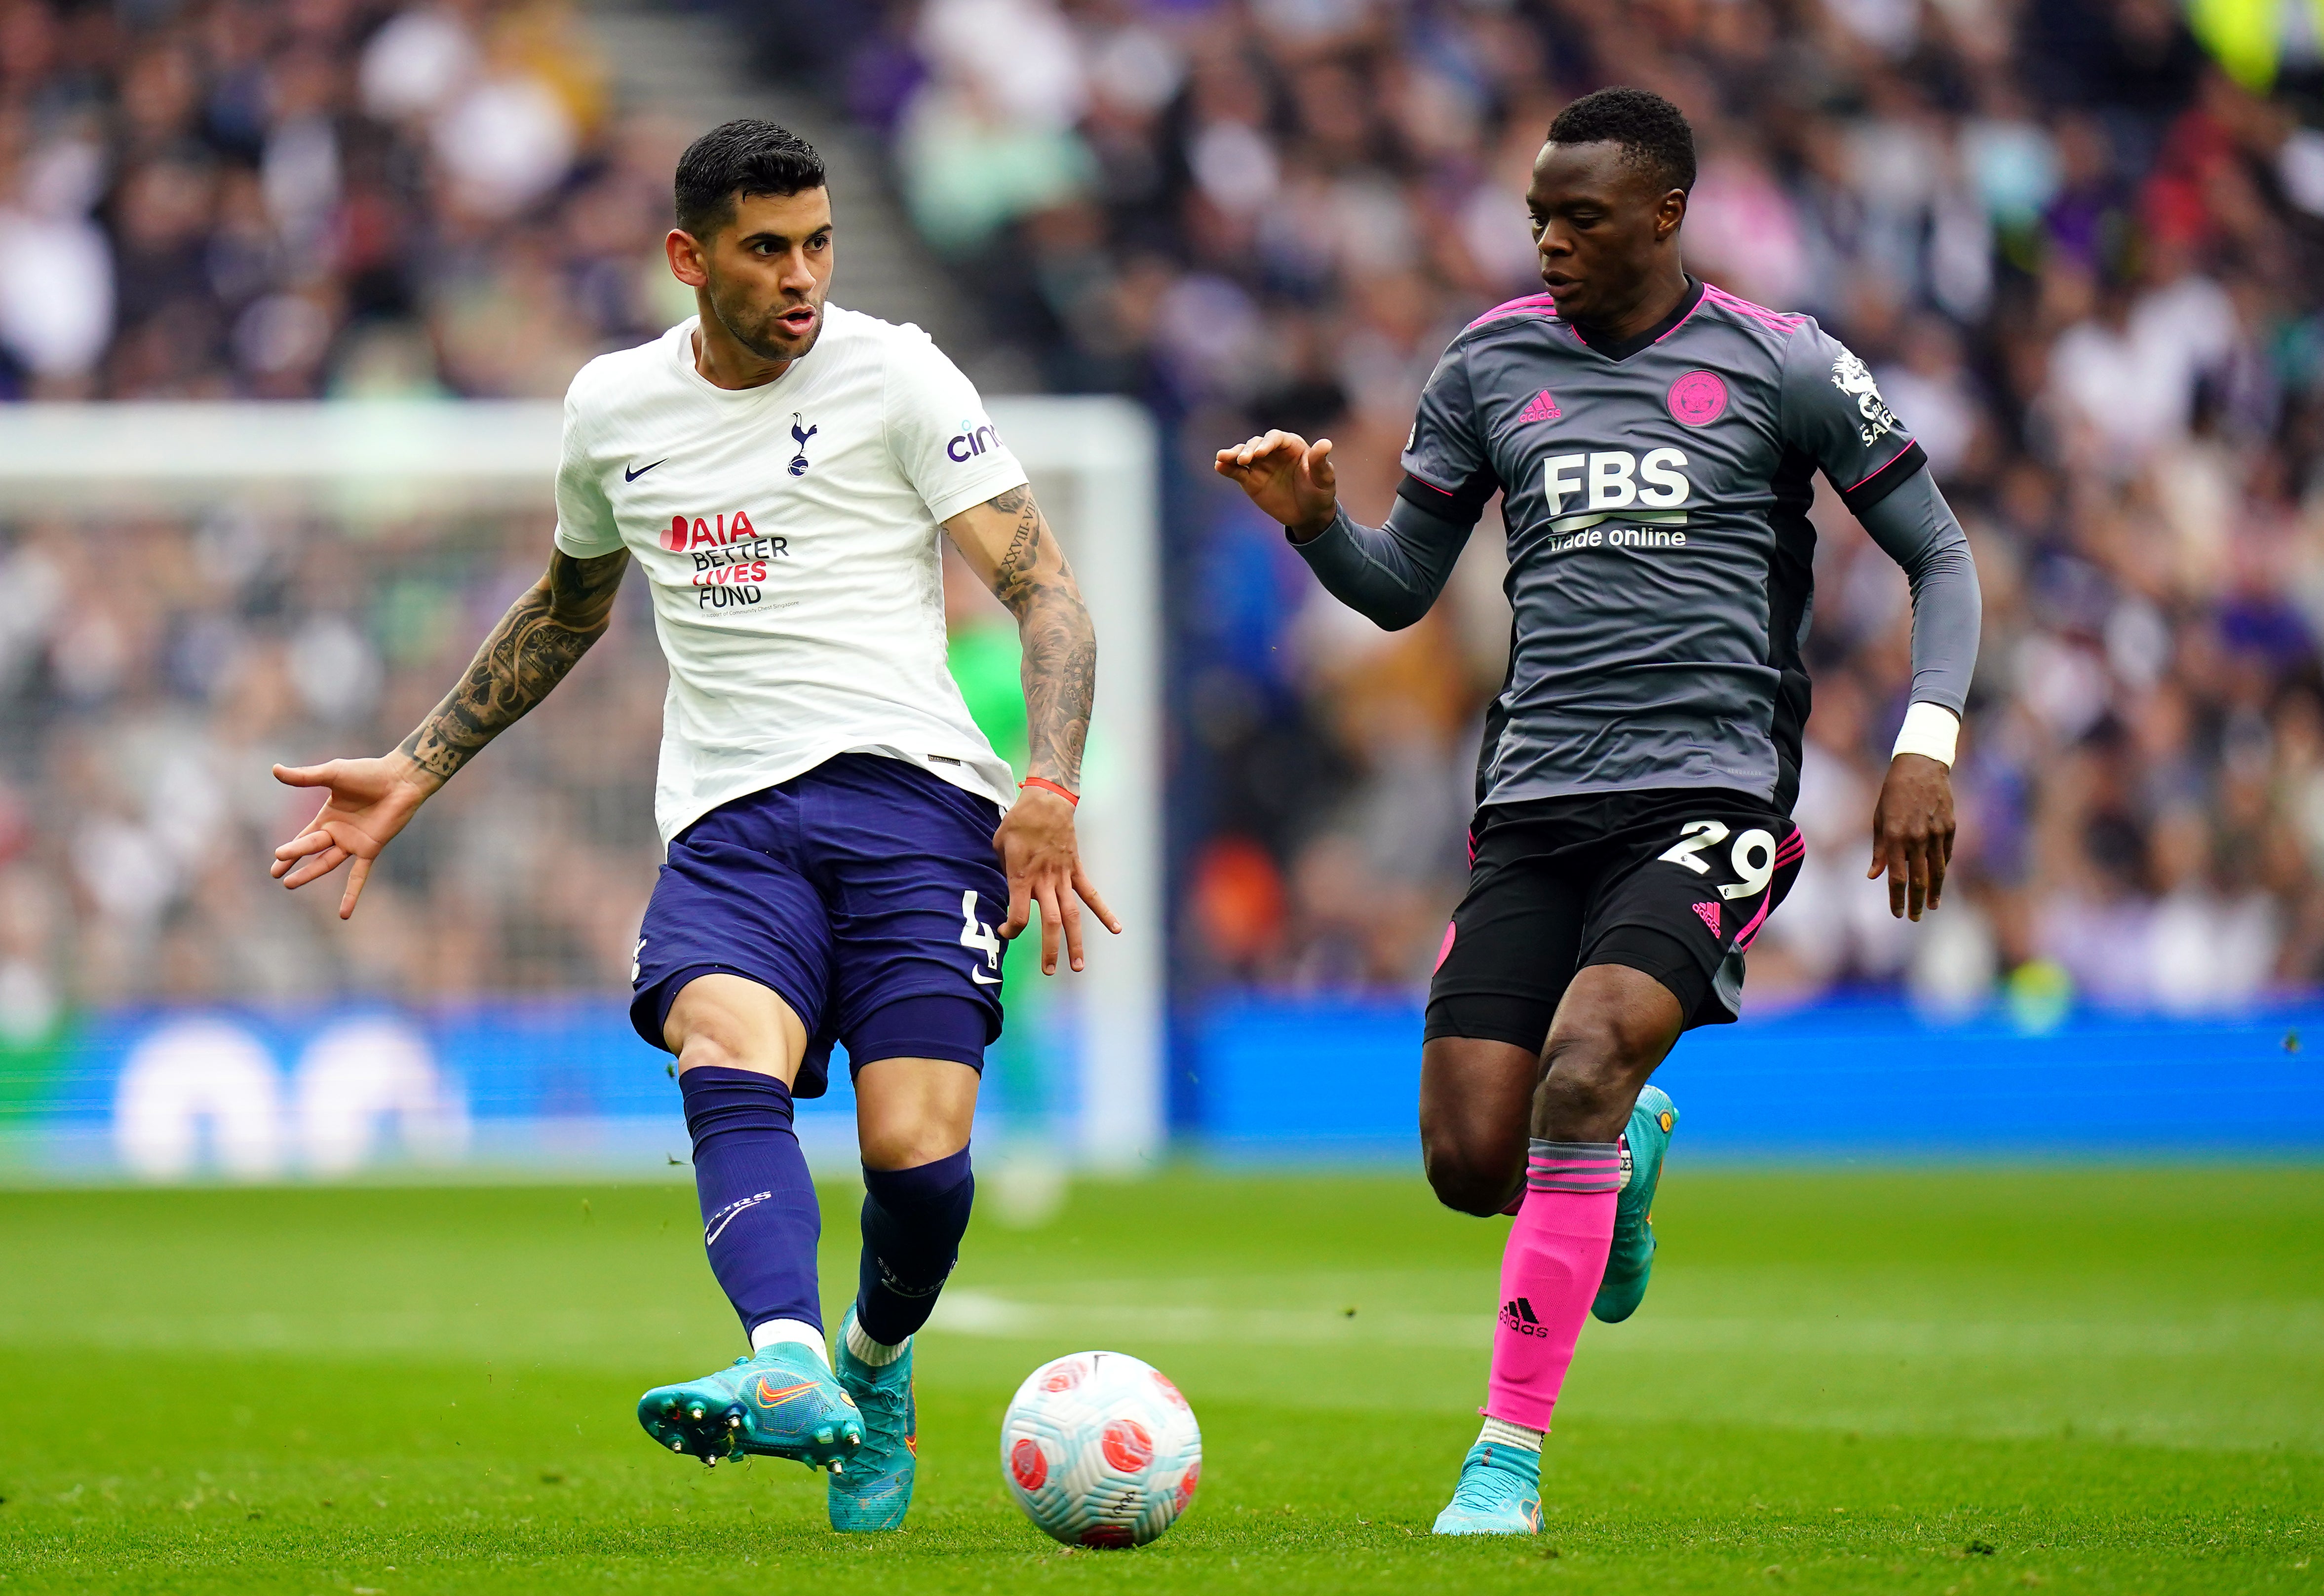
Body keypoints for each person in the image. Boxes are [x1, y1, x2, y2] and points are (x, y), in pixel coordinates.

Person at [269, 119, 1116, 1534]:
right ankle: (784, 1359)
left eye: (819, 243)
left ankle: (872, 1363)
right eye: (768, 249)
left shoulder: (896, 372)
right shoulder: (613, 410)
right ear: (688, 258)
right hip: (732, 823)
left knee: (920, 1156)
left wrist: (1050, 785)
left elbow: (1046, 589)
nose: (803, 277)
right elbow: (567, 607)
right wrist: (418, 764)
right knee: (725, 1043)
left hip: (917, 804)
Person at [1216, 86, 1979, 1535]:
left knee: (1583, 1056)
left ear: (1665, 213)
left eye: (1578, 217)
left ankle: (1502, 1459)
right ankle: (1620, 1154)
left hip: (1710, 788)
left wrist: (1922, 739)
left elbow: (1937, 555)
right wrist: (1318, 525)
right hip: (1532, 798)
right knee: (1466, 1163)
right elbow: (1400, 590)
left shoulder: (1784, 363)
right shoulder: (1489, 364)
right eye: (1536, 219)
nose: (1549, 242)